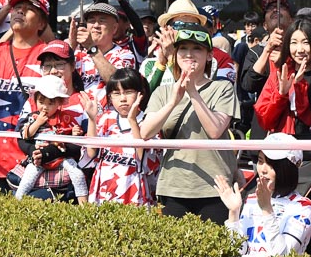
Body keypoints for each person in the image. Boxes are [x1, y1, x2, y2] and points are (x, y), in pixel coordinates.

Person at [140, 20, 240, 223]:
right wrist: (172, 102)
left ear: (209, 55)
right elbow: (145, 133)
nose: (189, 54)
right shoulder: (163, 91)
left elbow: (214, 130)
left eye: (197, 49)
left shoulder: (222, 88)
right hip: (173, 185)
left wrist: (192, 91)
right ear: (175, 54)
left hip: (215, 187)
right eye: (183, 48)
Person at [0, 0, 53, 190]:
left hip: (30, 161)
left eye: (29, 9)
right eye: (17, 7)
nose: (20, 11)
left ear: (42, 24)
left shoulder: (50, 58)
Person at [214, 133, 311, 257]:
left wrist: (267, 209)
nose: (263, 169)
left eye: (271, 164)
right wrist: (233, 213)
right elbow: (236, 252)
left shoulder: (303, 206)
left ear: (288, 168)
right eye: (260, 161)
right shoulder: (251, 199)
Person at [83, 68, 157, 206]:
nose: (123, 98)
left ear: (141, 93)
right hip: (104, 189)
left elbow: (143, 162)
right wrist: (92, 120)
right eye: (116, 93)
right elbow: (91, 153)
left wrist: (132, 120)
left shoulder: (149, 121)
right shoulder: (105, 119)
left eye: (128, 92)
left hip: (134, 189)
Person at [14, 75, 89, 203]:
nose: (45, 107)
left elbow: (73, 138)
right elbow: (24, 135)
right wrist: (37, 123)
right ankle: (17, 204)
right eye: (41, 102)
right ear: (35, 100)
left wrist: (76, 133)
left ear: (59, 103)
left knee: (78, 175)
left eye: (50, 103)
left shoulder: (66, 118)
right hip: (38, 158)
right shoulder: (32, 117)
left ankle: (85, 207)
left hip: (61, 157)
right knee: (27, 180)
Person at [72, 0, 136, 106]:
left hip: (108, 118)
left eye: (102, 21)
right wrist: (70, 47)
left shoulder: (125, 55)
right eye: (91, 21)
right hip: (77, 117)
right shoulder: (76, 54)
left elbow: (118, 83)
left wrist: (92, 48)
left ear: (114, 28)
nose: (96, 25)